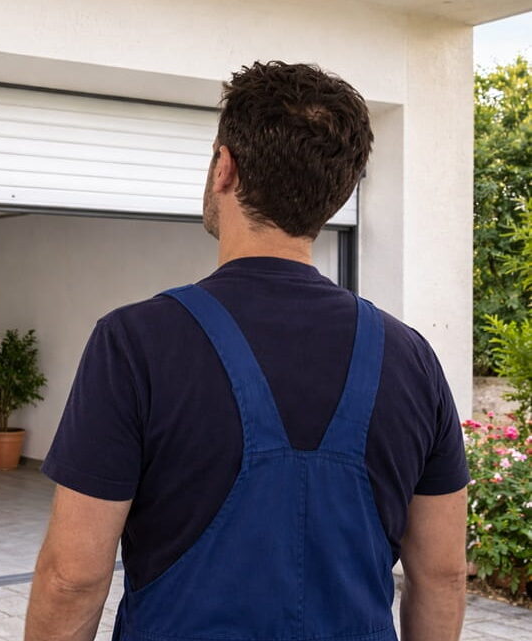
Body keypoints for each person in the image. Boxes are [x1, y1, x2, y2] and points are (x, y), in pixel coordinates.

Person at [24, 61, 469, 641]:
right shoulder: (413, 360)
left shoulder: (135, 344)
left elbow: (72, 578)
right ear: (335, 193)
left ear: (224, 169)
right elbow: (442, 576)